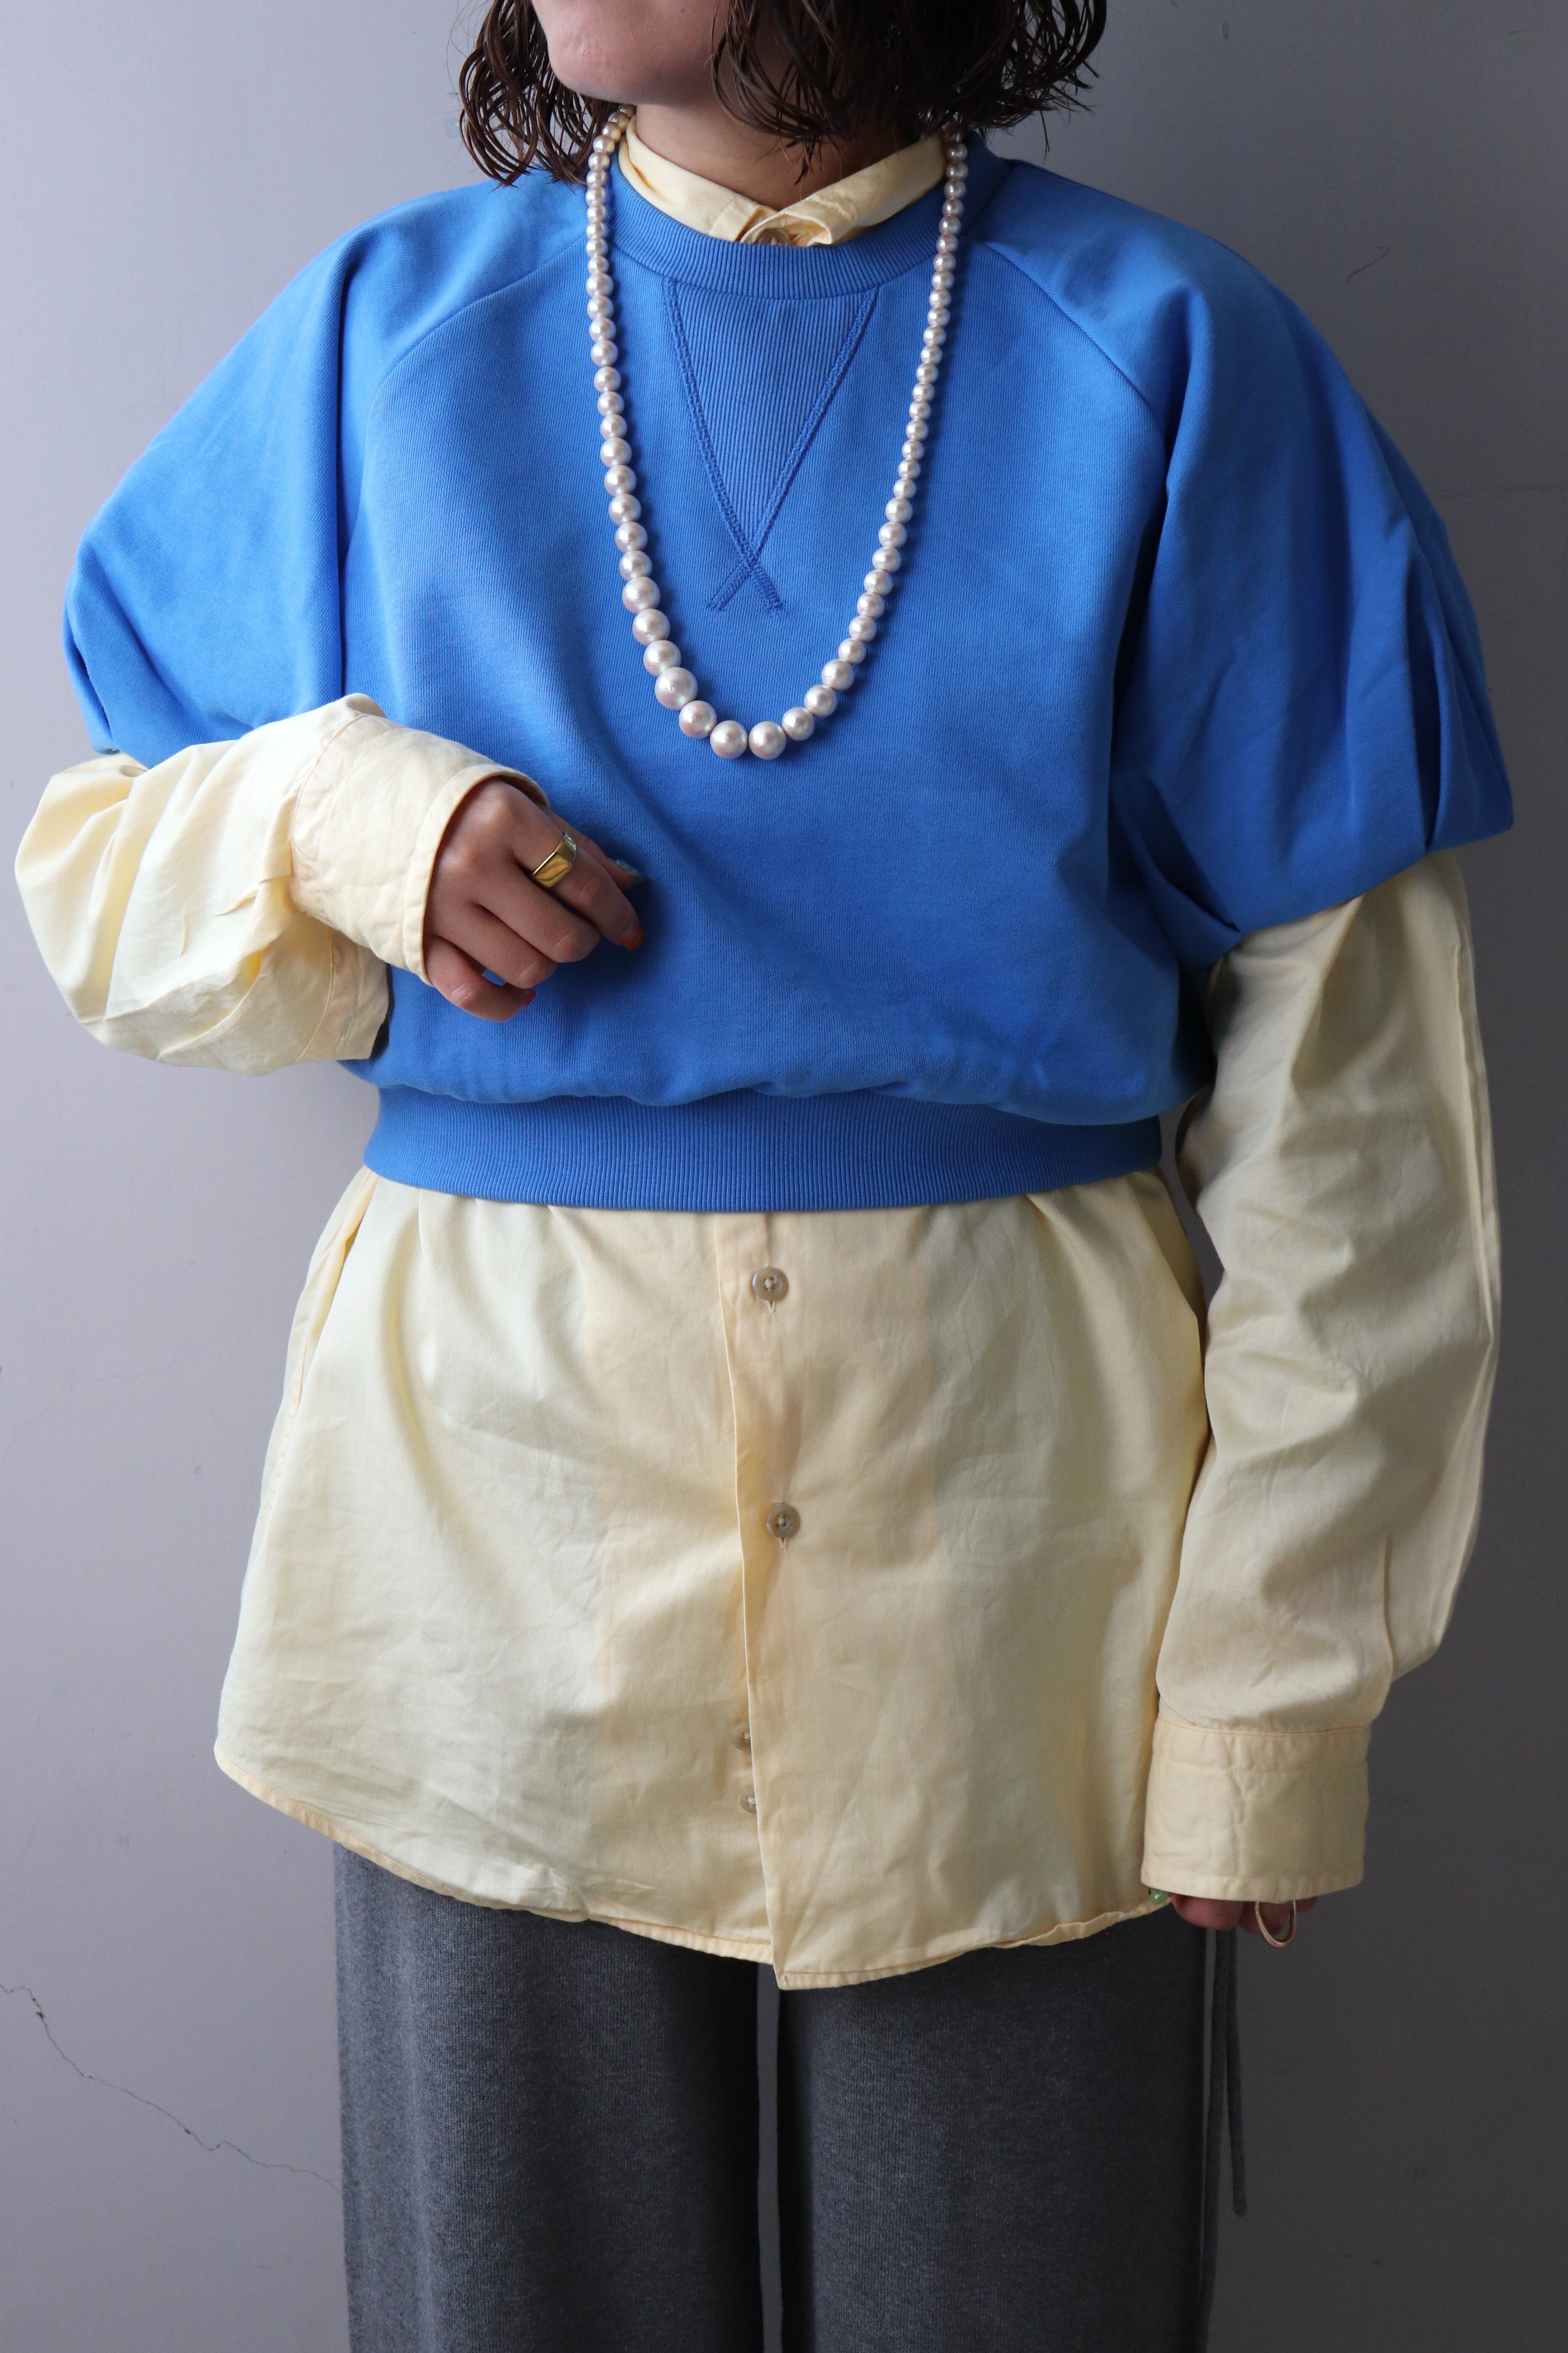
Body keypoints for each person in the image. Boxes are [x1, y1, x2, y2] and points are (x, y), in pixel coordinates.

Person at [16, 2, 1510, 2346]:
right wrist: (337, 815)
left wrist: (1268, 1703)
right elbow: (97, 885)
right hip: (479, 1585)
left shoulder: (1178, 360)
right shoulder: (376, 344)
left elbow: (1363, 1134)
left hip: (1030, 1607)